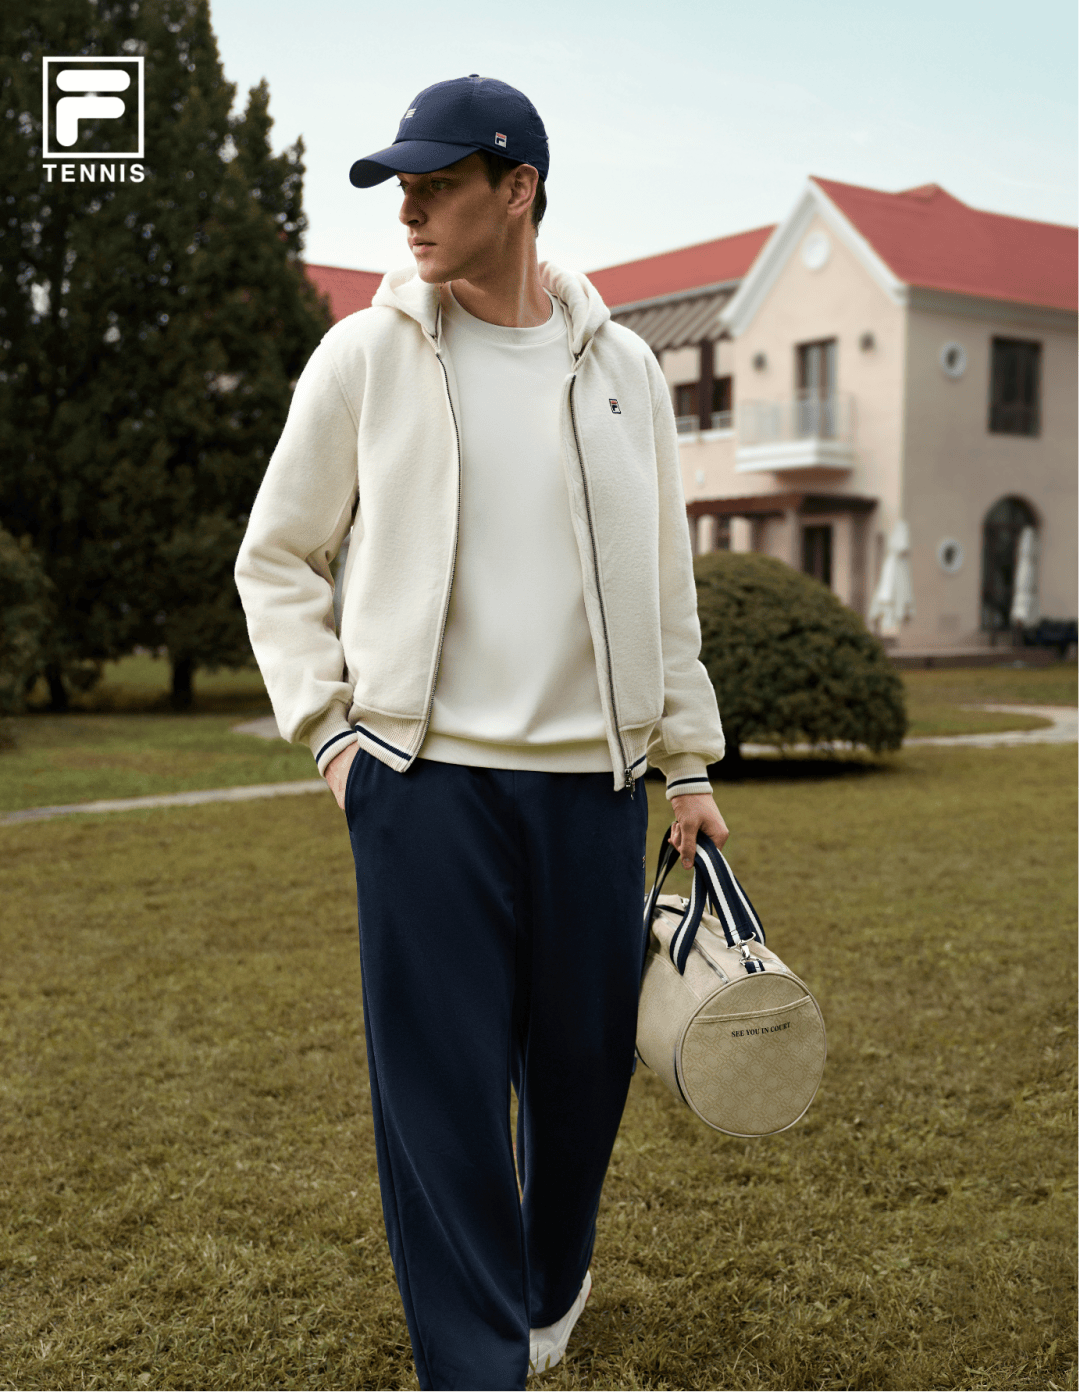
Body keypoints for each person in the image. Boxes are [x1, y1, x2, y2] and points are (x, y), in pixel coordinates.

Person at [235, 74, 729, 1392]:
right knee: (441, 1099)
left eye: (439, 186)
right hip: (424, 790)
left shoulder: (624, 370)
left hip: (592, 794)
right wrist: (334, 738)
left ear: (519, 192)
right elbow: (275, 557)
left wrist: (686, 763)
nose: (411, 212)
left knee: (581, 1082)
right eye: (403, 188)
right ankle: (473, 1364)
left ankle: (549, 1283)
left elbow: (664, 587)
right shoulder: (366, 356)